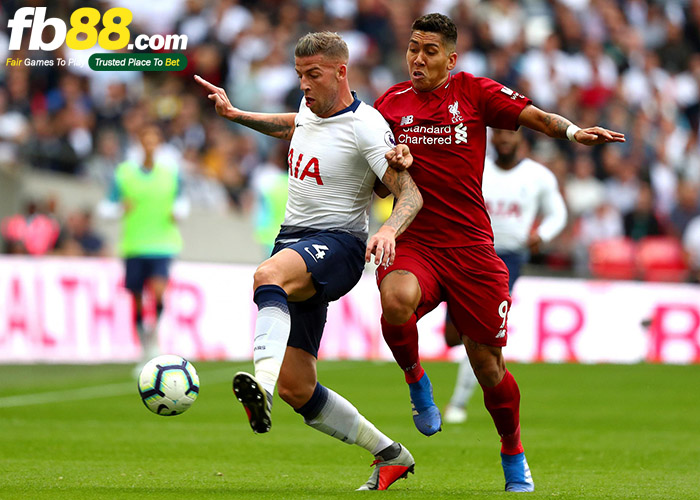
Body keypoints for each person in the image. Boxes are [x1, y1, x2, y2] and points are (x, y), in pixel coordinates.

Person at [373, 13, 624, 493]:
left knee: (488, 366)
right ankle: (416, 381)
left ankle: (513, 452)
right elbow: (351, 142)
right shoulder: (391, 103)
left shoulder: (474, 91)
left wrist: (574, 134)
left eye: (429, 51)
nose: (417, 58)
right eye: (412, 48)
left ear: (451, 57)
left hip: (472, 249)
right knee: (393, 300)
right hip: (417, 242)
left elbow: (538, 119)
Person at [195, 31, 423, 491]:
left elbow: (409, 194)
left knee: (267, 276)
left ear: (341, 71)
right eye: (300, 74)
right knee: (298, 388)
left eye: (313, 74)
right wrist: (237, 114)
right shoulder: (309, 108)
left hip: (338, 244)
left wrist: (386, 229)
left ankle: (259, 381)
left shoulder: (366, 125)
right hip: (294, 241)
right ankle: (391, 454)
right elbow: (293, 125)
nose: (303, 83)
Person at [443, 128, 568, 425]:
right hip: (467, 252)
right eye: (498, 136)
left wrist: (543, 234)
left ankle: (458, 403)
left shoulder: (538, 176)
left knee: (478, 333)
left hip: (507, 258)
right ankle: (481, 361)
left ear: (521, 141)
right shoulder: (477, 167)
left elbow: (557, 213)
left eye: (509, 136)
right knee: (452, 336)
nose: (503, 141)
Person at [97, 123, 190, 371]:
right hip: (134, 245)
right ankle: (143, 347)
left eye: (154, 140)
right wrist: (119, 209)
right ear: (140, 143)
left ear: (158, 143)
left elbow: (182, 201)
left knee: (159, 293)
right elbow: (105, 206)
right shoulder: (125, 173)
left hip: (163, 243)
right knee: (137, 299)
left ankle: (153, 341)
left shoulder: (170, 173)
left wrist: (178, 212)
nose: (150, 144)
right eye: (146, 140)